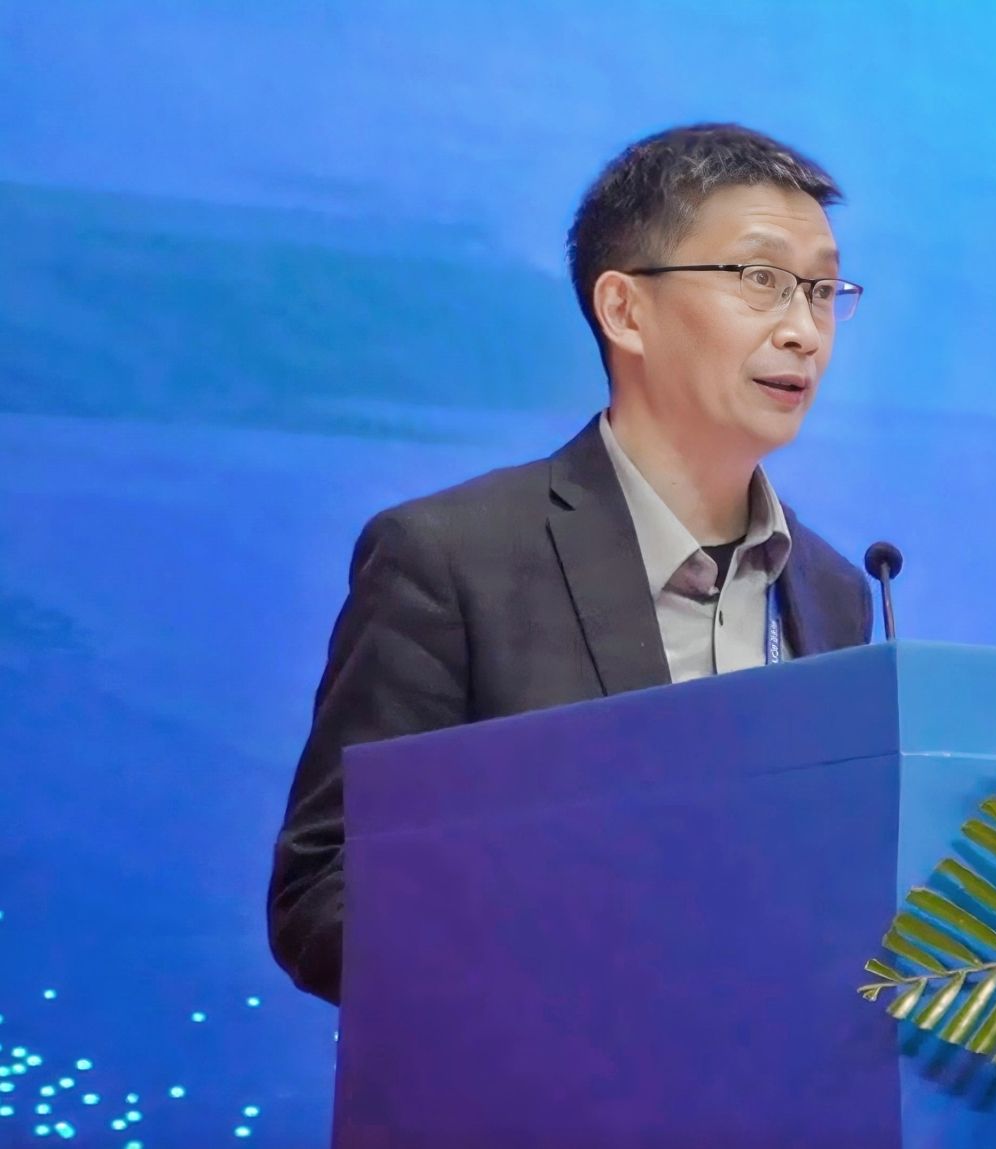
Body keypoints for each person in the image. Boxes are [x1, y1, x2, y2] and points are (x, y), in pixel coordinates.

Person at [266, 124, 873, 1005]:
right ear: (625, 309)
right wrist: (564, 953)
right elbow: (325, 892)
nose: (803, 331)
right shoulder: (452, 560)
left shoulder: (832, 592)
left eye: (821, 290)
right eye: (760, 279)